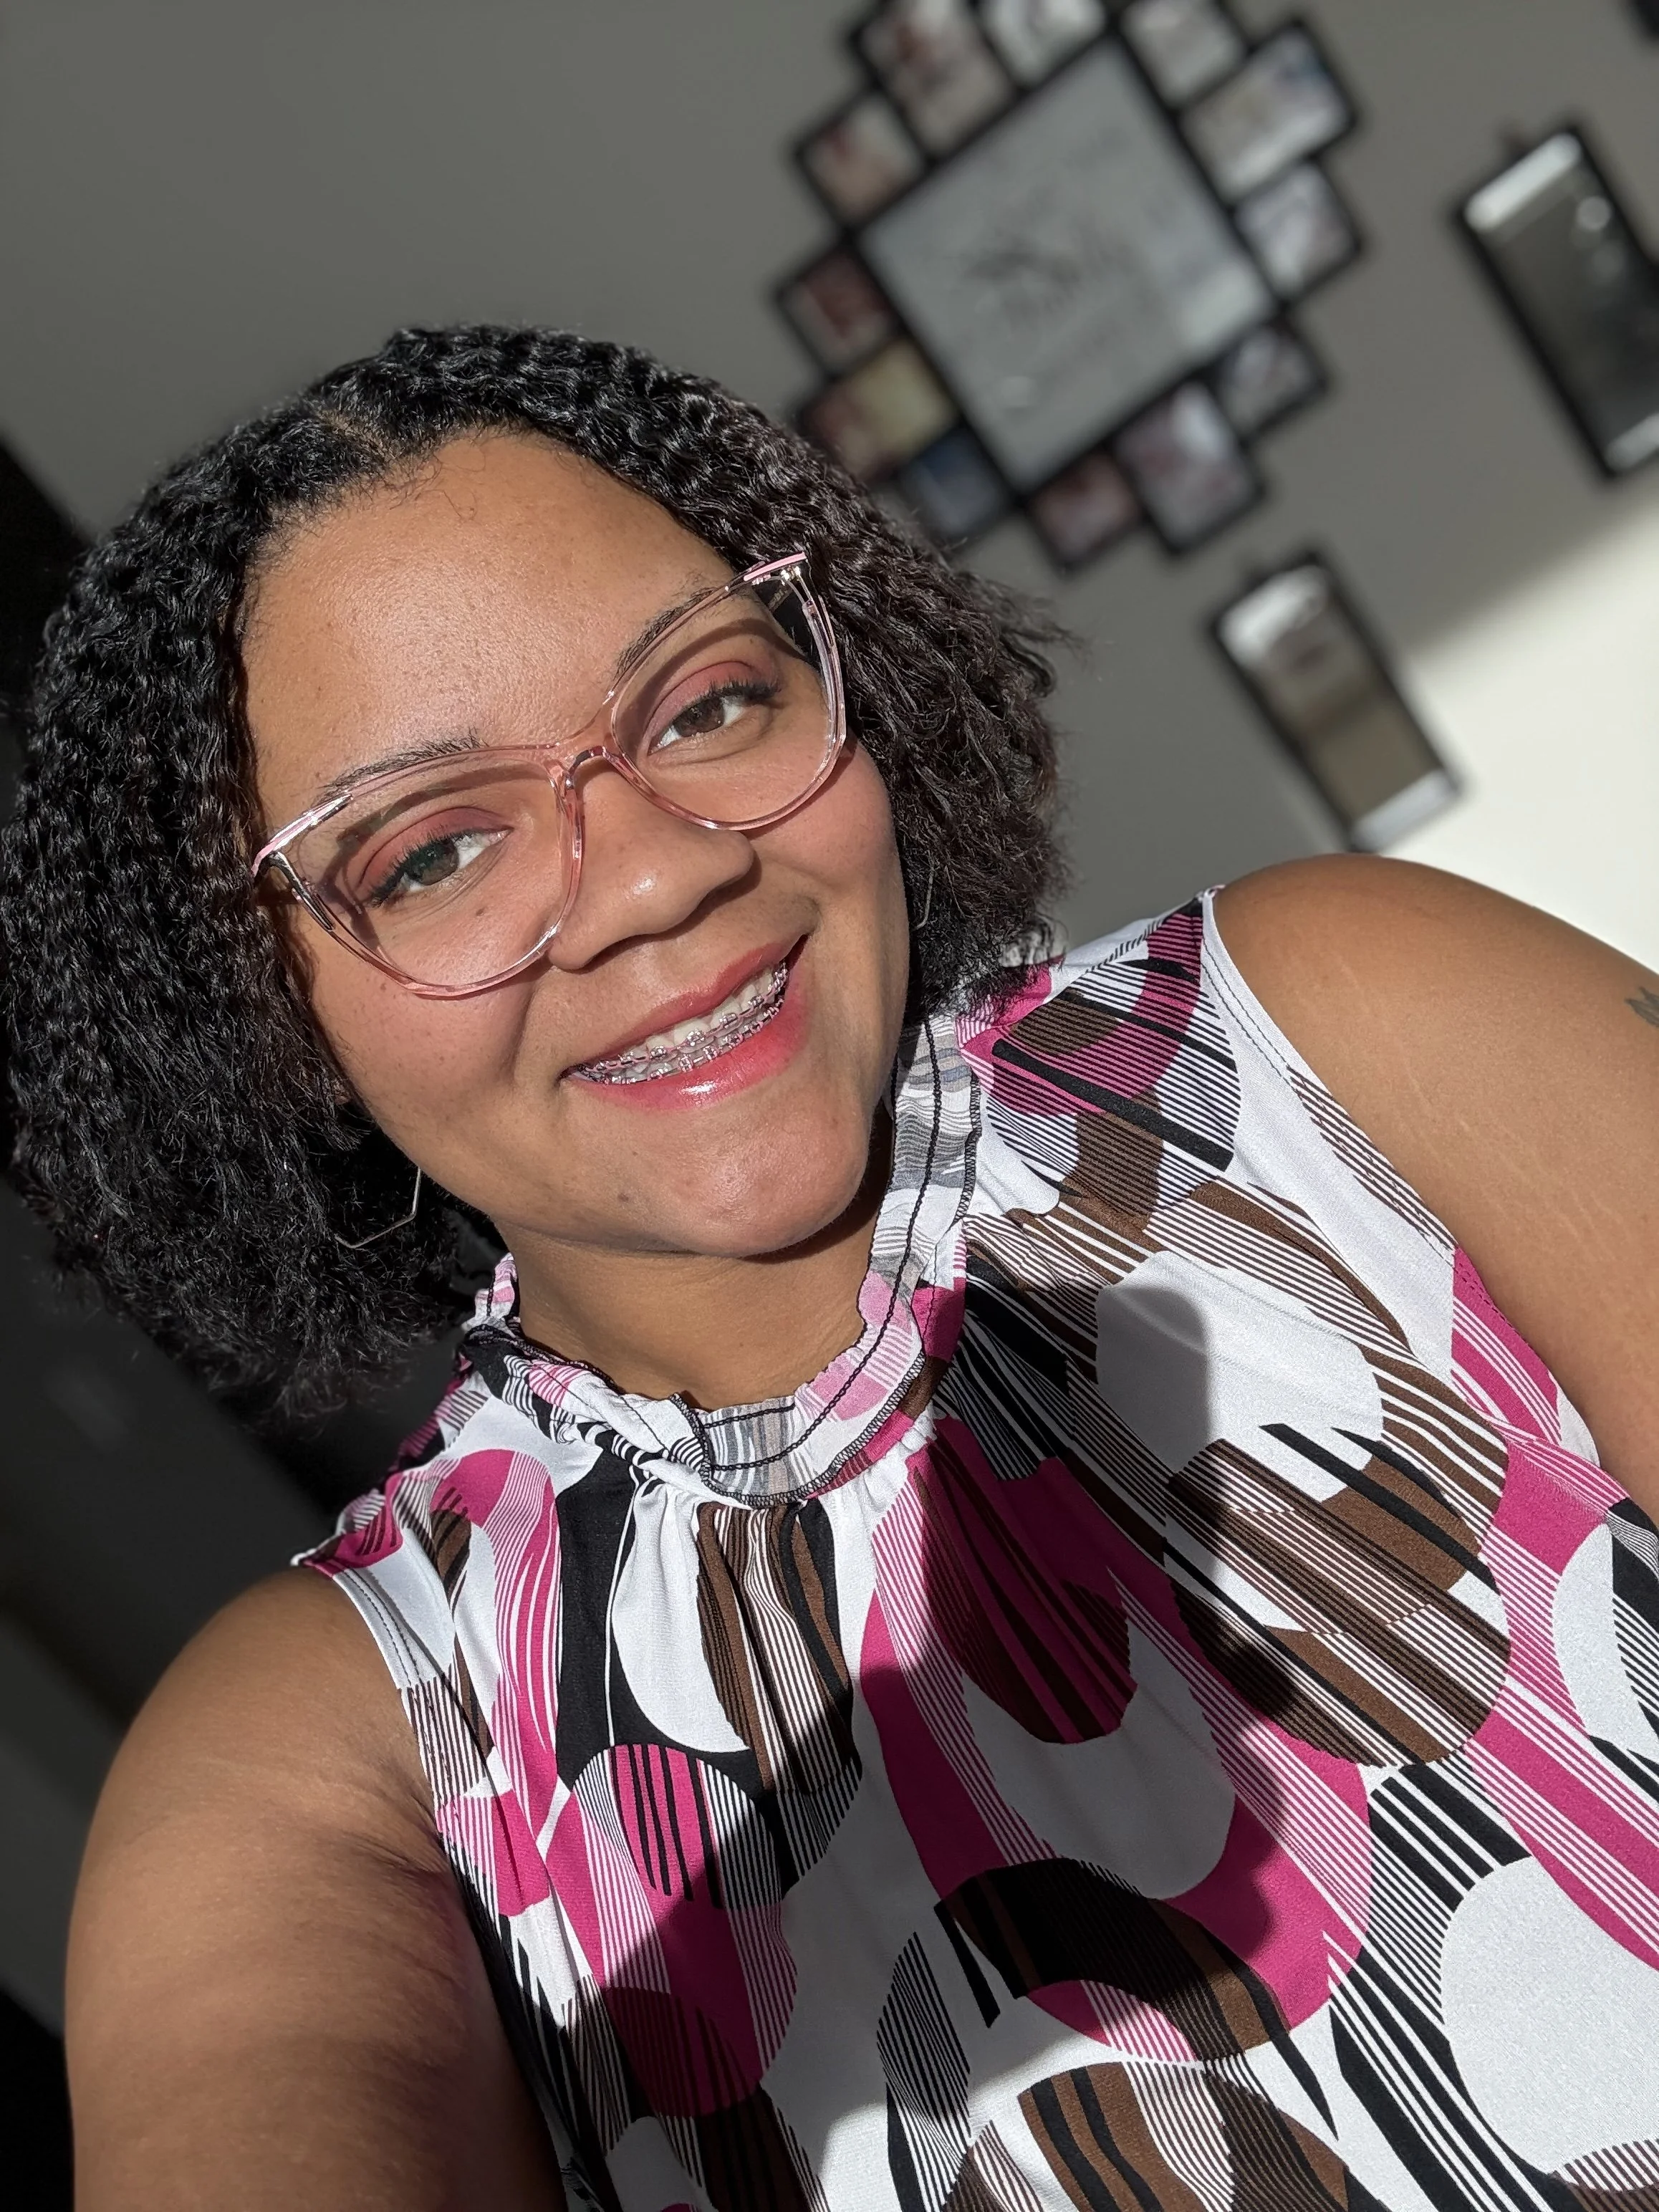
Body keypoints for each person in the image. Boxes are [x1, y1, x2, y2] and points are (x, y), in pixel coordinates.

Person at [3, 324, 1655, 2212]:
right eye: (436, 849)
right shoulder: (326, 1747)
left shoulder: (1343, 1032)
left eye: (704, 704)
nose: (646, 875)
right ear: (271, 1022)